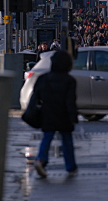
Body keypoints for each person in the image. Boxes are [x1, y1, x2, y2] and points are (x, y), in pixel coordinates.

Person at [33, 50, 78, 178]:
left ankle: (40, 160)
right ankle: (71, 167)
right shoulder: (70, 81)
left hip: (48, 113)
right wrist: (73, 117)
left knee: (47, 138)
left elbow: (37, 96)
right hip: (63, 115)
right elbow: (70, 101)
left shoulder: (44, 78)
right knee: (67, 141)